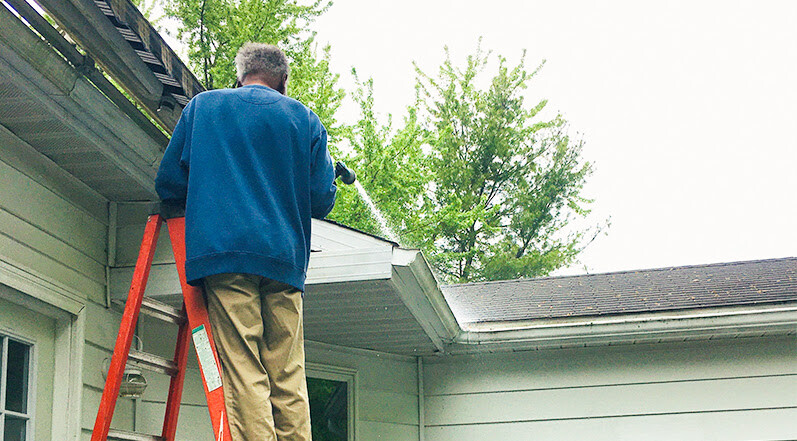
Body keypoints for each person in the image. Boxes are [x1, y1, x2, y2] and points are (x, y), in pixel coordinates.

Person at [155, 42, 337, 441]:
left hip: (226, 258)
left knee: (244, 368)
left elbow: (169, 182)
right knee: (288, 376)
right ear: (284, 82)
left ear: (240, 75)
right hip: (284, 264)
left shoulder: (204, 108)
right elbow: (322, 198)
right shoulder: (305, 120)